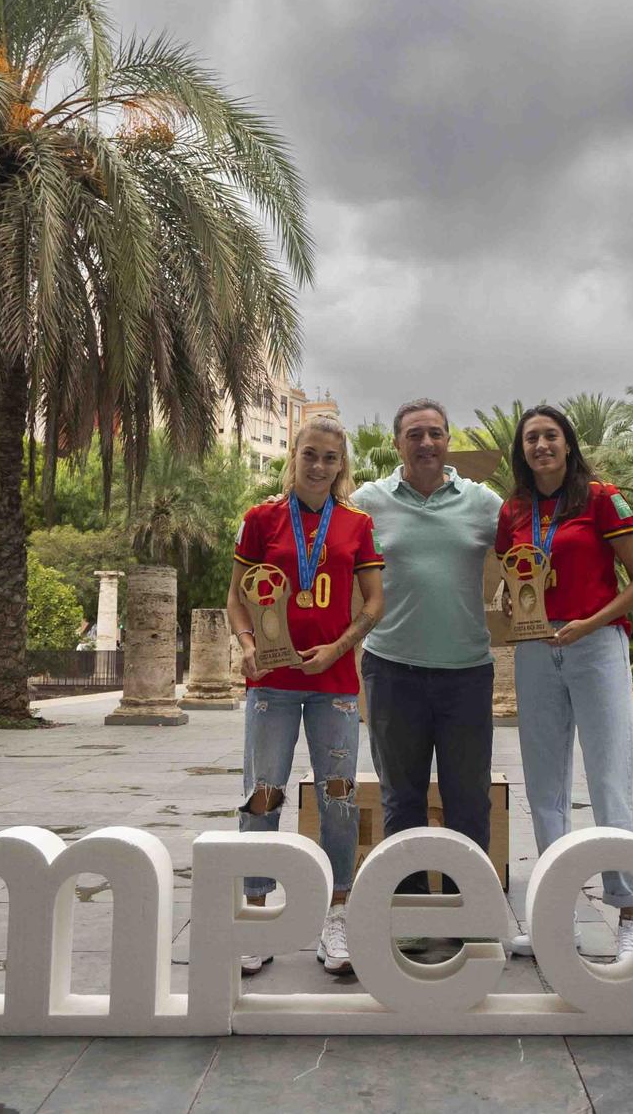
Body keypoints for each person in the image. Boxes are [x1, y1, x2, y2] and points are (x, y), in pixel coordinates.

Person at [497, 404, 633, 964]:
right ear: (522, 452)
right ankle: (555, 918)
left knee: (611, 780)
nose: (541, 445)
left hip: (595, 645)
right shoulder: (513, 509)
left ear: (568, 444)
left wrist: (590, 622)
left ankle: (629, 910)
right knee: (545, 789)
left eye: (550, 436)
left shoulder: (600, 498)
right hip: (537, 651)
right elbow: (511, 577)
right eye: (531, 439)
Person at [225, 415, 384, 977]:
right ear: (293, 455)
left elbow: (373, 603)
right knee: (261, 795)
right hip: (272, 681)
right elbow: (236, 600)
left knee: (338, 798)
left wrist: (340, 647)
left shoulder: (356, 525)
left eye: (330, 458)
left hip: (334, 684)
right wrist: (246, 644)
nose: (319, 467)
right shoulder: (260, 519)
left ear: (342, 466)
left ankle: (337, 913)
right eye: (310, 455)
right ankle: (257, 912)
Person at [351, 398, 503, 898]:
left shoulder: (482, 502)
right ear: (398, 444)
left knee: (468, 802)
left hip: (467, 674)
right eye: (414, 434)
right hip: (392, 672)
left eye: (435, 433)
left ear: (447, 441)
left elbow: (535, 549)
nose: (426, 443)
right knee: (401, 801)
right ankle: (411, 911)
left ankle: (469, 911)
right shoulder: (368, 501)